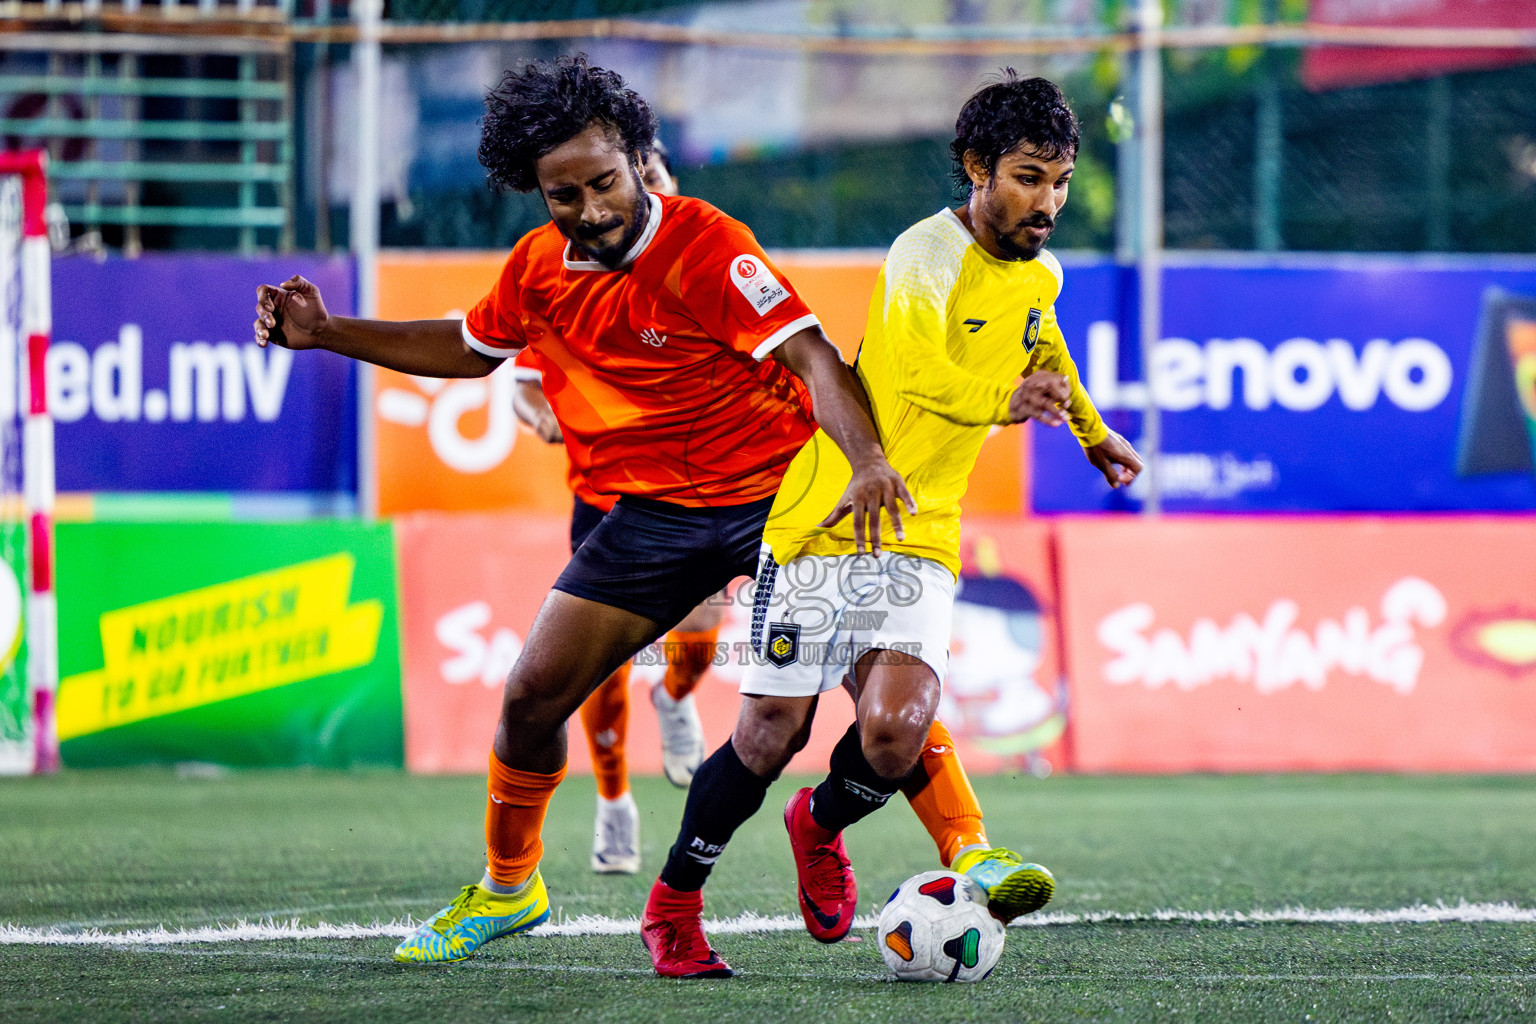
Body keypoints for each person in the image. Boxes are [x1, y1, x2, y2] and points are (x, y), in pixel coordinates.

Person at [253, 55, 913, 966]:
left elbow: (813, 360)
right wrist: (328, 334)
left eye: (605, 183)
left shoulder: (709, 241)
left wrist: (868, 459)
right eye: (565, 196)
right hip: (659, 516)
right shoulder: (535, 270)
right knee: (529, 699)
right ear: (538, 192)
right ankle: (509, 887)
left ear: (641, 161)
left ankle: (958, 850)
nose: (592, 210)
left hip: (782, 499)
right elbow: (470, 348)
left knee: (876, 696)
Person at [642, 72, 1143, 978]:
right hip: (827, 515)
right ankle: (674, 904)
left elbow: (1045, 343)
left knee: (895, 735)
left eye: (1061, 180)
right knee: (769, 737)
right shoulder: (925, 255)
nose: (1049, 201)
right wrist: (1005, 401)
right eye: (1029, 177)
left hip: (922, 528)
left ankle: (818, 825)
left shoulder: (1042, 270)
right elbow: (914, 376)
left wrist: (1094, 433)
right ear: (976, 169)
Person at [509, 140, 717, 877]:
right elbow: (524, 376)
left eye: (642, 180)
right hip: (604, 500)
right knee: (595, 670)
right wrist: (538, 409)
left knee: (699, 641)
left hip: (693, 502)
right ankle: (614, 803)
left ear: (661, 186)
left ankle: (675, 696)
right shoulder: (563, 269)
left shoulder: (699, 258)